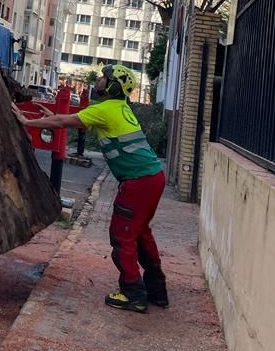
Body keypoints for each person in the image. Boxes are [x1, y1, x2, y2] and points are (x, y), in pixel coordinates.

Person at [12, 63, 168, 313]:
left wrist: (24, 120)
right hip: (153, 178)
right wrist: (45, 116)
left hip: (138, 182)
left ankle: (133, 294)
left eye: (104, 79)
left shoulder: (105, 110)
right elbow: (73, 121)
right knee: (140, 233)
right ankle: (156, 290)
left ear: (113, 86)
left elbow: (64, 121)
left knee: (122, 236)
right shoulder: (120, 108)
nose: (99, 81)